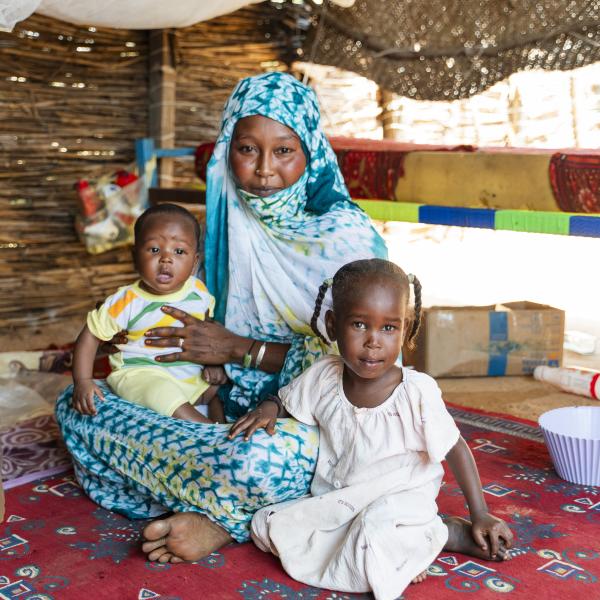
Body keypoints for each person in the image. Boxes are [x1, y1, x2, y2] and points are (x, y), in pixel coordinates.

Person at [54, 71, 388, 563]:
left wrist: (238, 349)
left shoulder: (347, 239)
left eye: (284, 151)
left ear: (311, 152)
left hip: (303, 420)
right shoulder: (221, 228)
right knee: (79, 406)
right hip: (213, 408)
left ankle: (221, 518)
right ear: (227, 150)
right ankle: (238, 502)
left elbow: (364, 365)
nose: (264, 170)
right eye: (247, 149)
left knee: (264, 461)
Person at [230, 259, 514, 600]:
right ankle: (424, 541)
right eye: (360, 325)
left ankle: (440, 533)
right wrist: (268, 408)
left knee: (374, 534)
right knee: (272, 526)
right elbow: (285, 399)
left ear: (406, 329)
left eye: (389, 328)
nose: (373, 342)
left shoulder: (416, 391)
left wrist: (480, 512)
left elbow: (455, 447)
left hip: (400, 499)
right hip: (342, 498)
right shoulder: (324, 376)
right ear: (334, 326)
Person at [71, 203, 226, 424]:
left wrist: (214, 363)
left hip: (188, 371)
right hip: (142, 373)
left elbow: (208, 327)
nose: (166, 259)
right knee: (160, 392)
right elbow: (90, 335)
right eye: (154, 249)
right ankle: (207, 430)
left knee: (218, 387)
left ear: (194, 262)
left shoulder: (198, 291)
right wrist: (83, 381)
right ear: (135, 256)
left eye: (179, 251)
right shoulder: (126, 301)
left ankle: (224, 428)